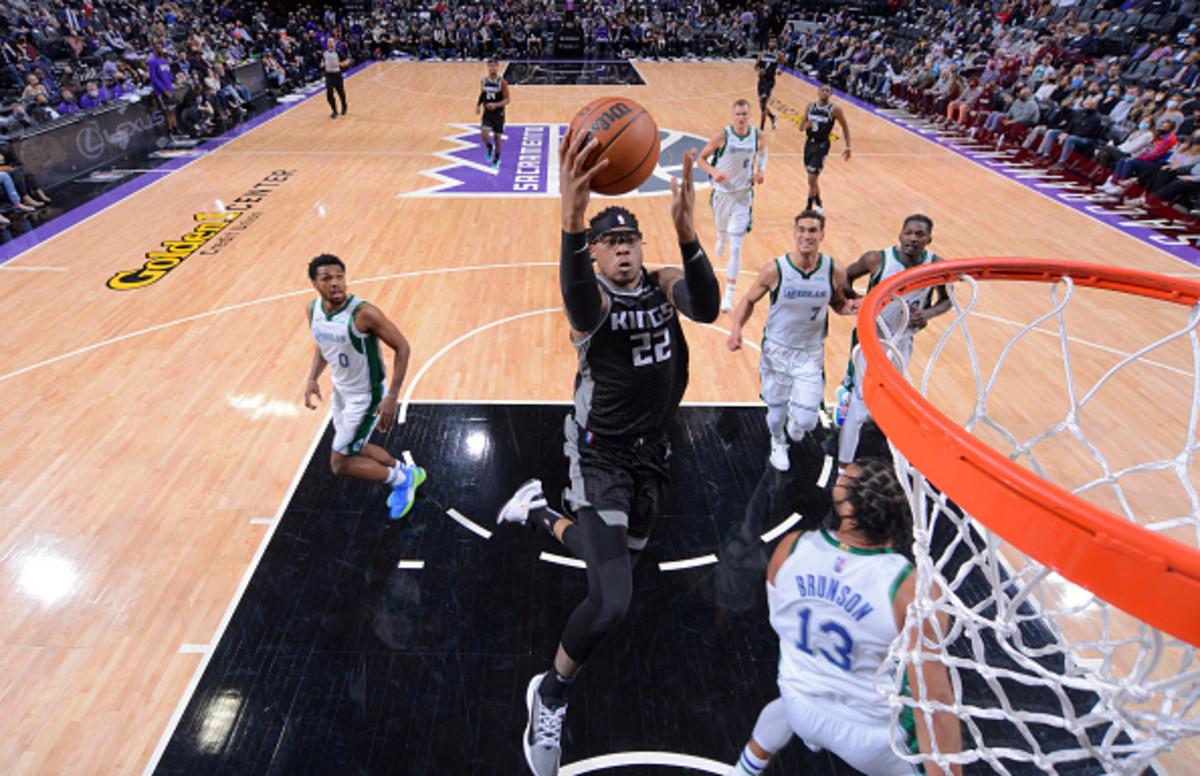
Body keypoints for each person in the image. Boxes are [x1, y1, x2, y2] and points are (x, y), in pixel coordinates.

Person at [495, 130, 720, 776]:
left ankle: (539, 513)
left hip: (654, 456)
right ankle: (549, 695)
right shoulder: (592, 302)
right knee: (612, 599)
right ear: (594, 253)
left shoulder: (663, 282)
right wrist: (571, 220)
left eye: (630, 240)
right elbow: (573, 292)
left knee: (615, 565)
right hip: (600, 458)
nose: (623, 249)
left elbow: (707, 308)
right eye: (610, 241)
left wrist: (687, 234)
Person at [727, 458, 962, 776]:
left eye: (844, 478)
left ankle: (743, 770)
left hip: (800, 704)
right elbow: (934, 701)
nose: (839, 475)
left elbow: (780, 622)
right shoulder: (911, 588)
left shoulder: (792, 547)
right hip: (872, 739)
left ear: (848, 508)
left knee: (782, 709)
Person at [727, 210, 856, 472]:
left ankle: (796, 420)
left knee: (806, 422)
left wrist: (850, 308)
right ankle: (778, 442)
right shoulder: (775, 269)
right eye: (802, 230)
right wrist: (736, 329)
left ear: (822, 235)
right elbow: (749, 300)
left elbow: (837, 303)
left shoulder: (834, 270)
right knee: (775, 414)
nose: (806, 235)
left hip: (809, 353)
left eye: (812, 230)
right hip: (776, 351)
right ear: (795, 233)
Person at [302, 254, 426, 518]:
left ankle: (402, 481)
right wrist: (312, 378)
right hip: (340, 392)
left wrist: (392, 396)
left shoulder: (363, 313)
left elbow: (402, 347)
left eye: (339, 276)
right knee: (356, 446)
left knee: (340, 463)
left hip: (366, 396)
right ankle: (405, 471)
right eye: (327, 278)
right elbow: (323, 345)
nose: (335, 283)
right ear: (314, 283)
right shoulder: (312, 311)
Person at [836, 215, 950, 475]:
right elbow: (845, 278)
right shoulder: (877, 259)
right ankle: (842, 469)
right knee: (859, 409)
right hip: (870, 339)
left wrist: (928, 314)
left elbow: (946, 300)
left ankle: (903, 462)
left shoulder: (936, 266)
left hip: (901, 343)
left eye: (919, 234)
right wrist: (858, 300)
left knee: (896, 403)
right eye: (908, 233)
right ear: (900, 235)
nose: (913, 238)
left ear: (929, 239)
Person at [696, 98, 768, 312]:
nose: (741, 118)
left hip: (743, 195)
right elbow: (701, 159)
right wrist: (714, 172)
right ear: (732, 116)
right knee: (722, 229)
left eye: (744, 114)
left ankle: (729, 294)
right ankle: (721, 237)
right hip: (722, 193)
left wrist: (761, 171)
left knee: (736, 248)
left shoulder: (757, 135)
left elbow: (763, 152)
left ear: (750, 115)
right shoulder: (723, 135)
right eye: (738, 114)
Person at [800, 84, 851, 214]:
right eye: (823, 90)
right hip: (809, 144)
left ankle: (808, 208)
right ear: (818, 92)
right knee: (812, 178)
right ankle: (818, 201)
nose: (825, 92)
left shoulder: (835, 110)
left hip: (822, 145)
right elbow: (801, 127)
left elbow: (845, 126)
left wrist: (848, 146)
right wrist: (806, 125)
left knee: (812, 178)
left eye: (827, 91)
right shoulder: (810, 106)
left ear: (830, 94)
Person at [476, 58, 510, 168]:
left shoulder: (502, 82)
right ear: (488, 67)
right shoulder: (484, 81)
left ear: (497, 67)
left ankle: (496, 158)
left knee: (497, 137)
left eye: (494, 66)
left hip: (498, 114)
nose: (492, 68)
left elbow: (507, 100)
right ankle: (489, 147)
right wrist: (478, 105)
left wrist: (495, 105)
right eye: (491, 66)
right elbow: (482, 95)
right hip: (487, 113)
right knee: (484, 136)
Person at [147, 41, 178, 138]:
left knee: (172, 110)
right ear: (155, 49)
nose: (160, 49)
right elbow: (153, 78)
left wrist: (175, 80)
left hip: (169, 88)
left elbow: (169, 74)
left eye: (161, 47)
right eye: (157, 47)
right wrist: (164, 90)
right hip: (161, 91)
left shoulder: (165, 60)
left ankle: (175, 130)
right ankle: (169, 132)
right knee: (167, 112)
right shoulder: (152, 61)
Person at [755, 37, 786, 131]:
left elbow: (785, 63)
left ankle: (761, 128)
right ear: (768, 43)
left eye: (774, 41)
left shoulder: (779, 54)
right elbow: (755, 66)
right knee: (761, 106)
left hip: (770, 81)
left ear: (777, 44)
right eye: (771, 41)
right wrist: (759, 70)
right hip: (761, 81)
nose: (772, 43)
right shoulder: (762, 53)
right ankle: (772, 117)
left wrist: (781, 70)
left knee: (764, 105)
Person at [323, 36, 350, 119]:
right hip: (328, 75)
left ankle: (344, 105)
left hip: (337, 75)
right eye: (329, 42)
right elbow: (323, 60)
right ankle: (334, 110)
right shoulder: (325, 53)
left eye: (332, 41)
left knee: (341, 92)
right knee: (329, 94)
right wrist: (322, 64)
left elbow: (347, 61)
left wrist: (339, 64)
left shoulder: (337, 52)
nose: (330, 43)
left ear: (334, 43)